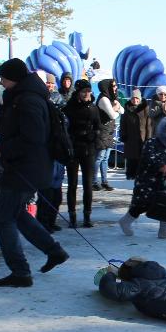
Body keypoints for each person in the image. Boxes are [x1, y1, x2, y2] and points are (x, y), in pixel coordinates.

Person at [0, 58, 69, 288]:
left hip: (25, 168)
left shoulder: (28, 100)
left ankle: (20, 271)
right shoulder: (25, 96)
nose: (2, 83)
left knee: (3, 218)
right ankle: (53, 250)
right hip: (28, 167)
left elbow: (33, 137)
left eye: (4, 78)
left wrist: (3, 148)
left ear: (13, 78)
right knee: (15, 213)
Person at [118, 116, 166, 239]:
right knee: (141, 204)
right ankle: (125, 221)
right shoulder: (152, 142)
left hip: (164, 183)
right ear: (164, 130)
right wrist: (160, 166)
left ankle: (164, 231)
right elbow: (148, 157)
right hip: (147, 181)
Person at [62, 79, 100, 228]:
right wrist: (70, 141)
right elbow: (65, 129)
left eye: (88, 91)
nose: (87, 94)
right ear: (78, 92)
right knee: (72, 184)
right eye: (84, 92)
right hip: (73, 148)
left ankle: (87, 216)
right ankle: (72, 216)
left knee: (88, 184)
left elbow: (98, 126)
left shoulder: (93, 108)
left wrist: (94, 135)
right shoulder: (69, 108)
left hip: (88, 149)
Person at [94, 78, 123, 191]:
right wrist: (116, 108)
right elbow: (113, 115)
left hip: (109, 131)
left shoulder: (112, 98)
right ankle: (94, 181)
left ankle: (104, 181)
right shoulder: (103, 99)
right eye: (113, 86)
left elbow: (123, 111)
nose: (115, 88)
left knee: (105, 158)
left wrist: (117, 107)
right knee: (99, 157)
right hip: (102, 131)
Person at [120, 89, 151, 179]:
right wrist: (123, 135)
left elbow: (149, 124)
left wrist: (148, 137)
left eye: (137, 98)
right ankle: (130, 174)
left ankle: (141, 174)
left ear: (140, 99)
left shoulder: (145, 108)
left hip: (142, 137)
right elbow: (123, 124)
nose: (135, 100)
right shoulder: (127, 109)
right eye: (133, 98)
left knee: (142, 157)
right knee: (131, 157)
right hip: (131, 137)